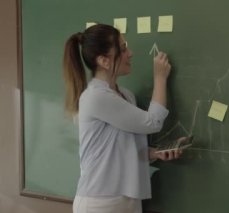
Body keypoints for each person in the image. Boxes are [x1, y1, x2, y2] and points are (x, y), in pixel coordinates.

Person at [63, 24, 182, 213]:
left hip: (127, 198)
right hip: (100, 201)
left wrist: (154, 153)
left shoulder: (125, 96)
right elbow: (153, 122)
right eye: (123, 48)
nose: (130, 53)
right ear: (104, 60)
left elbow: (123, 148)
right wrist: (160, 78)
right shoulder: (96, 96)